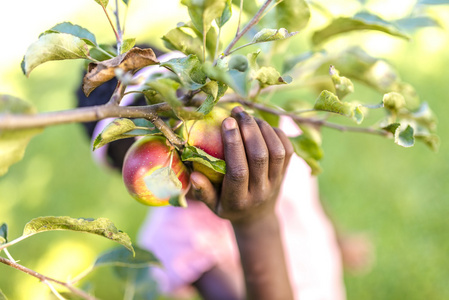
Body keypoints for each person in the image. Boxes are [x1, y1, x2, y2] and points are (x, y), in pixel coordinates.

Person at [77, 49, 355, 300]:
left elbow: (306, 192)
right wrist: (253, 223)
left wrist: (340, 241)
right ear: (120, 168)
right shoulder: (176, 239)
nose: (182, 148)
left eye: (180, 119)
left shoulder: (265, 143)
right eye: (144, 141)